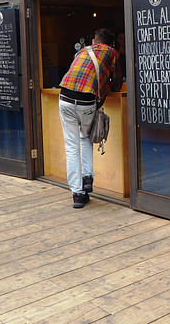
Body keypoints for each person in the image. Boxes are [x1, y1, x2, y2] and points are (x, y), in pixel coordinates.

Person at [59, 28, 122, 208]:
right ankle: (88, 178)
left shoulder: (82, 50)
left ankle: (78, 195)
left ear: (94, 41)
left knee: (71, 147)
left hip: (65, 98)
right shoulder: (112, 53)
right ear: (110, 43)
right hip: (87, 101)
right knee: (85, 137)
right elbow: (117, 83)